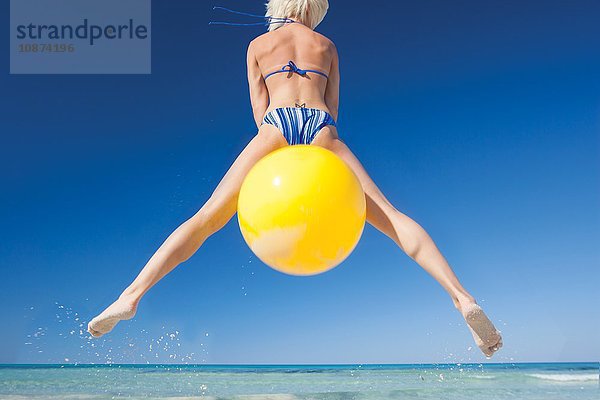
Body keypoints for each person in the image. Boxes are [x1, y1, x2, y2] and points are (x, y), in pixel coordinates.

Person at [88, 0, 503, 357]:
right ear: (313, 9)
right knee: (392, 219)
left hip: (275, 125)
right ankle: (462, 297)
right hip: (321, 127)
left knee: (208, 218)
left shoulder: (256, 45)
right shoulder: (326, 46)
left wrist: (279, 146)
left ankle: (131, 296)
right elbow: (334, 107)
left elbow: (258, 110)